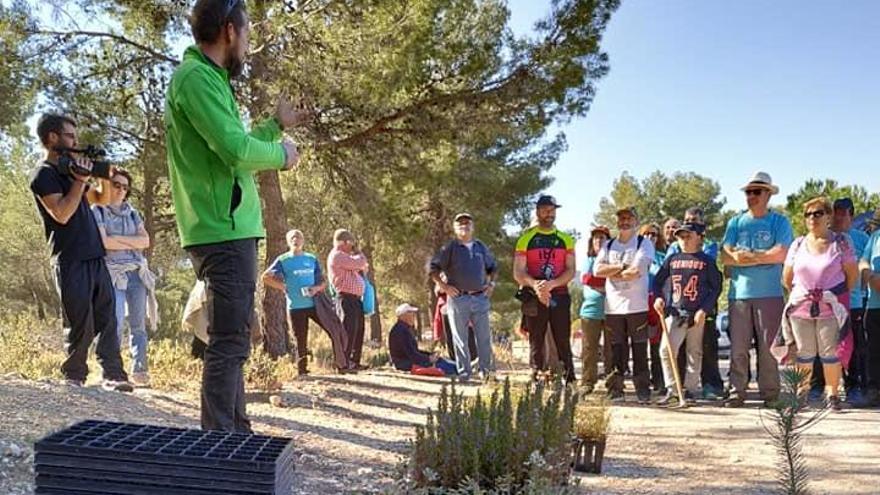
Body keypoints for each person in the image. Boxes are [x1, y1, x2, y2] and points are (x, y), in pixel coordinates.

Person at [164, 0, 308, 431]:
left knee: (233, 338)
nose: (247, 44)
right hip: (220, 231)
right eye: (246, 33)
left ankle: (234, 433)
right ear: (229, 30)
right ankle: (221, 443)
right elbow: (235, 151)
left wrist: (272, 126)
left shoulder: (208, 79)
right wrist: (282, 155)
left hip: (229, 229)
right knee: (229, 340)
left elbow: (235, 145)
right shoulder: (195, 78)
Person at [29, 113, 132, 392]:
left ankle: (114, 374)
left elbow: (102, 200)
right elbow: (61, 213)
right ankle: (74, 376)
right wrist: (79, 181)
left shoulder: (71, 170)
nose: (76, 142)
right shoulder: (43, 175)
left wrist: (103, 178)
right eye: (70, 136)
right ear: (52, 138)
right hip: (69, 256)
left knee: (108, 316)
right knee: (79, 320)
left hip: (94, 253)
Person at [721, 171, 793, 407]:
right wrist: (762, 257)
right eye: (748, 192)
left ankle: (771, 393)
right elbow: (725, 255)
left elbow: (782, 253)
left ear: (768, 194)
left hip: (770, 294)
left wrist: (749, 257)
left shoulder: (779, 222)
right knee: (738, 347)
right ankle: (736, 391)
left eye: (757, 191)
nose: (751, 196)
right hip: (739, 295)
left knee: (768, 347)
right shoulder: (736, 221)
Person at [781, 197, 857, 411]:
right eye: (808, 214)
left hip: (830, 307)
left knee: (829, 352)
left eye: (817, 213)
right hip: (801, 307)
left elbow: (851, 275)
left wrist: (833, 295)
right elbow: (787, 277)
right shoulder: (797, 244)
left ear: (828, 216)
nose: (812, 218)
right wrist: (805, 294)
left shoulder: (840, 242)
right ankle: (801, 395)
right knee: (804, 353)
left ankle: (832, 394)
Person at [92, 169, 157, 386]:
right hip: (112, 273)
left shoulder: (132, 213)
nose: (121, 190)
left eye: (125, 187)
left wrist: (117, 239)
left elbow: (145, 241)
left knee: (138, 324)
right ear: (107, 186)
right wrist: (131, 240)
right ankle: (113, 371)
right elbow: (104, 243)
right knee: (115, 321)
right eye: (116, 185)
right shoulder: (98, 210)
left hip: (137, 273)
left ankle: (139, 371)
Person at [263, 229, 354, 375]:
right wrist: (282, 286)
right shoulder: (283, 260)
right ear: (288, 241)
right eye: (292, 237)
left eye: (298, 237)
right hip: (296, 306)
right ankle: (302, 370)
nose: (296, 240)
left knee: (334, 329)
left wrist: (316, 289)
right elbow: (266, 277)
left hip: (315, 305)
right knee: (300, 337)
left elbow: (323, 281)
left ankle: (342, 364)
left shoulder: (311, 259)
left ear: (303, 240)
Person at [653, 222, 723, 405]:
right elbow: (658, 281)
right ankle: (672, 388)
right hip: (675, 312)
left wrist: (704, 309)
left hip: (696, 314)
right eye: (681, 237)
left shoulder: (707, 261)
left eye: (688, 236)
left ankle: (690, 389)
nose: (683, 240)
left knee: (694, 352)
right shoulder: (672, 259)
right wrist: (659, 298)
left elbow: (716, 288)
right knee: (666, 350)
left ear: (700, 237)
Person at [595, 206, 655, 403]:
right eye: (621, 218)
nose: (625, 221)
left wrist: (613, 271)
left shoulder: (643, 243)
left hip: (637, 306)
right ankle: (615, 389)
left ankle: (642, 389)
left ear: (636, 221)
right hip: (613, 307)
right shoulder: (609, 245)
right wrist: (621, 267)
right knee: (615, 350)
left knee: (639, 349)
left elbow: (636, 271)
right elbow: (597, 270)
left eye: (629, 218)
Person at [513, 196, 577, 384]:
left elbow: (571, 270)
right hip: (534, 296)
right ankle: (536, 376)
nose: (549, 213)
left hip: (559, 295)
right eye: (545, 210)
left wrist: (552, 284)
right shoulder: (525, 240)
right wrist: (535, 285)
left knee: (562, 337)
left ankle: (569, 377)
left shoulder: (566, 240)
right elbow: (518, 271)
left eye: (552, 210)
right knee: (536, 339)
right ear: (537, 211)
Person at [430, 213, 497, 381]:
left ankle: (486, 372)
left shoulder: (481, 247)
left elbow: (493, 267)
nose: (464, 226)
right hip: (458, 299)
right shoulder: (450, 248)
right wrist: (444, 287)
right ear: (455, 228)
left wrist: (491, 284)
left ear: (472, 227)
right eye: (460, 223)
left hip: (480, 298)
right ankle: (464, 372)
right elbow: (433, 268)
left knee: (484, 338)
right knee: (460, 338)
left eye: (467, 223)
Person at [328, 229, 370, 369]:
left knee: (359, 329)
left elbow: (360, 268)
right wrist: (359, 253)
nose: (352, 247)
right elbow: (361, 263)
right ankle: (343, 362)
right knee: (349, 329)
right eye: (351, 244)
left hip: (355, 298)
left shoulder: (345, 257)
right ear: (345, 243)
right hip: (346, 298)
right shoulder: (338, 255)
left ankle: (354, 361)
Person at [579, 225, 611, 393]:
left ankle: (612, 384)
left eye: (603, 237)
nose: (599, 240)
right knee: (589, 349)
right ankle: (587, 383)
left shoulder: (613, 260)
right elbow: (586, 278)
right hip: (590, 312)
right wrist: (606, 282)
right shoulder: (589, 260)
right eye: (596, 237)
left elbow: (618, 280)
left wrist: (602, 281)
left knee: (611, 349)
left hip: (612, 311)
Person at [389, 303, 457, 375]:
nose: (414, 316)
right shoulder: (401, 331)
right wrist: (428, 359)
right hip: (406, 364)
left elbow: (413, 351)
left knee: (443, 361)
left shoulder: (403, 329)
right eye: (411, 313)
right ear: (403, 316)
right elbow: (411, 354)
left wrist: (430, 355)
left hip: (408, 362)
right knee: (447, 366)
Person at [641, 223, 667, 393]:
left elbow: (663, 274)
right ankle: (642, 382)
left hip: (657, 302)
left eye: (654, 234)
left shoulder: (662, 256)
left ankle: (659, 381)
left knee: (657, 345)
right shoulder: (635, 253)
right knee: (640, 345)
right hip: (638, 303)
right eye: (647, 234)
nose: (650, 237)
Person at [859, 209, 880, 407]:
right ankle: (874, 391)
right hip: (874, 305)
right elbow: (864, 260)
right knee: (873, 350)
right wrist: (868, 273)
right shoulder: (875, 236)